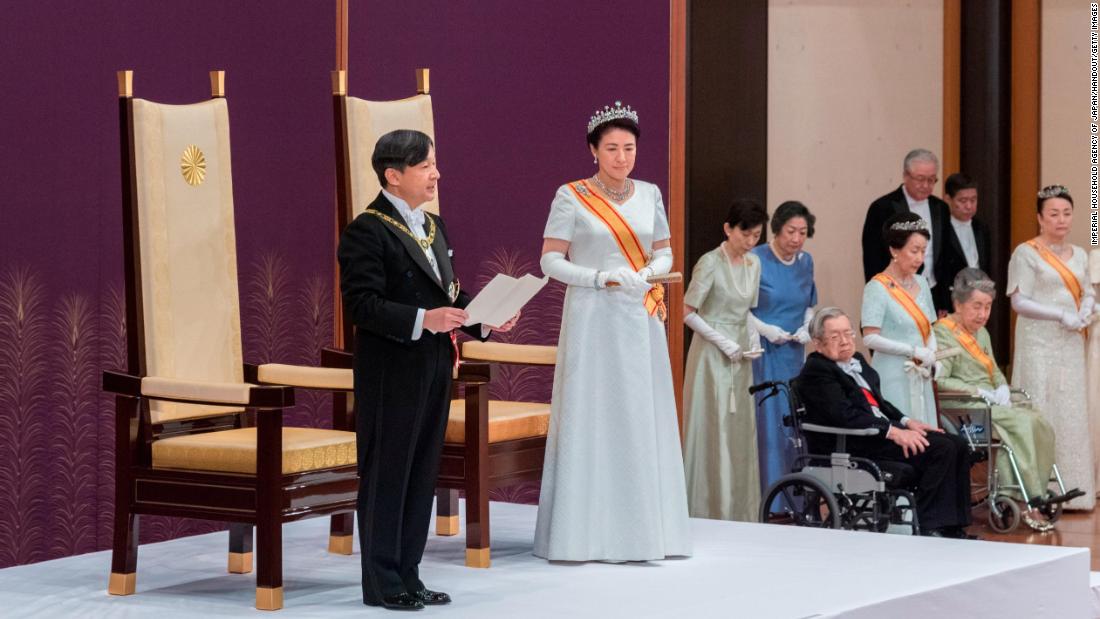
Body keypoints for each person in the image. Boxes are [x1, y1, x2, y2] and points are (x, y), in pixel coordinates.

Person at [338, 129, 517, 610]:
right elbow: (362, 306)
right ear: (393, 176)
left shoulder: (433, 226)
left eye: (435, 164)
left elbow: (450, 296)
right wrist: (423, 320)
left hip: (435, 365)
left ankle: (410, 574)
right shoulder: (366, 230)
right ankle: (382, 582)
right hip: (391, 370)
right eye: (424, 167)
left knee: (421, 472)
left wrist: (485, 317)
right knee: (387, 473)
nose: (436, 173)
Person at [534, 102, 692, 561]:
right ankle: (583, 533)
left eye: (629, 148)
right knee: (595, 408)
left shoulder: (649, 193)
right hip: (593, 313)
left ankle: (647, 532)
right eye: (612, 148)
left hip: (640, 313)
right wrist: (598, 277)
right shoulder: (571, 196)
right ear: (593, 151)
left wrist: (652, 270)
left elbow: (664, 251)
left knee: (641, 410)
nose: (622, 157)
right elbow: (550, 260)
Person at [799, 307, 974, 538]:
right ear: (818, 343)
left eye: (848, 334)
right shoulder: (816, 371)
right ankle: (932, 525)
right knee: (941, 449)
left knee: (957, 444)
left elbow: (880, 404)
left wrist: (908, 422)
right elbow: (845, 416)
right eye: (835, 337)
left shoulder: (857, 361)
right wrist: (893, 432)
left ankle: (955, 525)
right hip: (853, 441)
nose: (844, 341)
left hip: (878, 432)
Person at [934, 268, 1079, 527]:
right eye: (976, 306)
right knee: (1022, 425)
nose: (982, 314)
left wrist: (1001, 388)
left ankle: (1038, 490)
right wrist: (977, 391)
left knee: (1038, 422)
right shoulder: (943, 332)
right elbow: (940, 380)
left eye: (988, 307)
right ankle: (1028, 497)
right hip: (964, 405)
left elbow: (994, 371)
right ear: (958, 303)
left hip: (990, 402)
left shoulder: (983, 333)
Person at [1007, 185, 1097, 510]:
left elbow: (1087, 289)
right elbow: (1019, 300)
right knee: (1041, 408)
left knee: (1070, 412)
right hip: (1038, 342)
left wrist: (1085, 309)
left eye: (1067, 213)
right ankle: (1034, 489)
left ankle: (1074, 491)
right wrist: (1060, 314)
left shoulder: (1079, 254)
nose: (1061, 220)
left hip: (1070, 343)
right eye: (1054, 214)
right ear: (1040, 218)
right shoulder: (1026, 253)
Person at [682, 199, 769, 521]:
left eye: (756, 236)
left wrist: (756, 338)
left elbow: (746, 311)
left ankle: (739, 510)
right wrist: (721, 341)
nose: (749, 242)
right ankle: (705, 507)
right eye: (744, 234)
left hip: (740, 352)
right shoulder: (709, 262)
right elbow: (687, 312)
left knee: (739, 427)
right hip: (710, 351)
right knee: (713, 425)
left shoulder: (753, 264)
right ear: (728, 229)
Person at [749, 201, 817, 494]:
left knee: (793, 422)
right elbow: (739, 308)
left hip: (793, 353)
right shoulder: (756, 259)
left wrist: (807, 327)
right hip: (764, 351)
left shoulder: (806, 261)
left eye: (802, 232)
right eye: (791, 231)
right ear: (776, 229)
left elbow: (810, 304)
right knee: (769, 420)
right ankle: (768, 492)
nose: (796, 239)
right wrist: (766, 329)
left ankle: (795, 493)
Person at [861, 211, 939, 427]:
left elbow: (929, 327)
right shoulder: (877, 287)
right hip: (893, 373)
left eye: (923, 251)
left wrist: (931, 352)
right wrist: (912, 351)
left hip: (920, 373)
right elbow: (869, 338)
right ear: (895, 250)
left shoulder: (922, 283)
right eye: (914, 251)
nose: (920, 258)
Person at [861, 149, 949, 304]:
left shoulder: (941, 208)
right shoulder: (882, 208)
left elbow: (944, 255)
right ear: (905, 176)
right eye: (920, 179)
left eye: (931, 180)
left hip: (932, 292)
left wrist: (944, 299)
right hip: (895, 292)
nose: (925, 185)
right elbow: (872, 257)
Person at [932, 173, 991, 314]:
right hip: (950, 302)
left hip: (978, 300)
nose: (969, 206)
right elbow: (939, 270)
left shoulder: (981, 228)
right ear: (948, 199)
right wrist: (942, 305)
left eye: (973, 200)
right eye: (963, 201)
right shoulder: (941, 229)